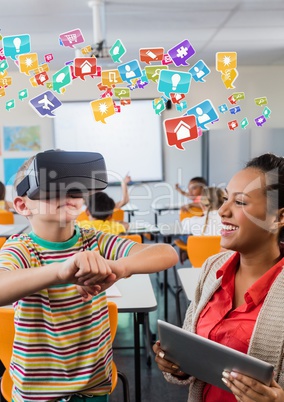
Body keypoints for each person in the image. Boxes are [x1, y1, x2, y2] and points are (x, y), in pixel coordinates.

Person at [0, 151, 178, 402]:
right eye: (53, 188)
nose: (68, 195)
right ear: (22, 205)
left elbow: (166, 253)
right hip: (38, 390)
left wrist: (118, 268)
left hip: (94, 383)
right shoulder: (20, 249)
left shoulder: (94, 240)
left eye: (75, 189)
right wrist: (60, 271)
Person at [154, 153, 284, 402]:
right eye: (225, 199)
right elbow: (195, 356)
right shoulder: (212, 268)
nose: (222, 211)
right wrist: (177, 364)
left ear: (278, 218)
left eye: (241, 203)